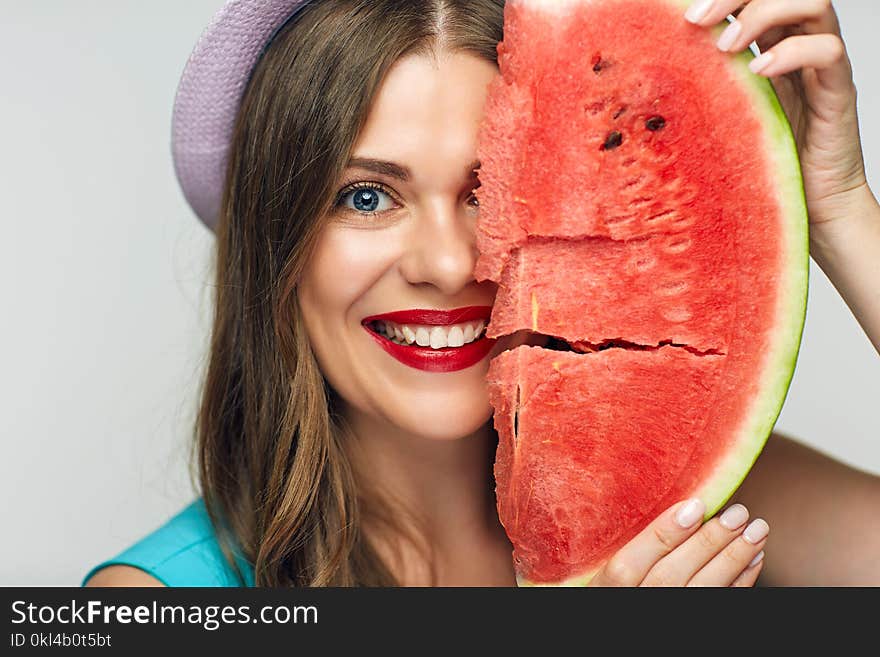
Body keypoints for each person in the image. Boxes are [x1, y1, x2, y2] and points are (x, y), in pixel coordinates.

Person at [82, 0, 879, 587]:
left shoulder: (679, 508)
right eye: (366, 196)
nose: (449, 262)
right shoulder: (151, 599)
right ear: (278, 247)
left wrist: (841, 207)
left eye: (494, 188)